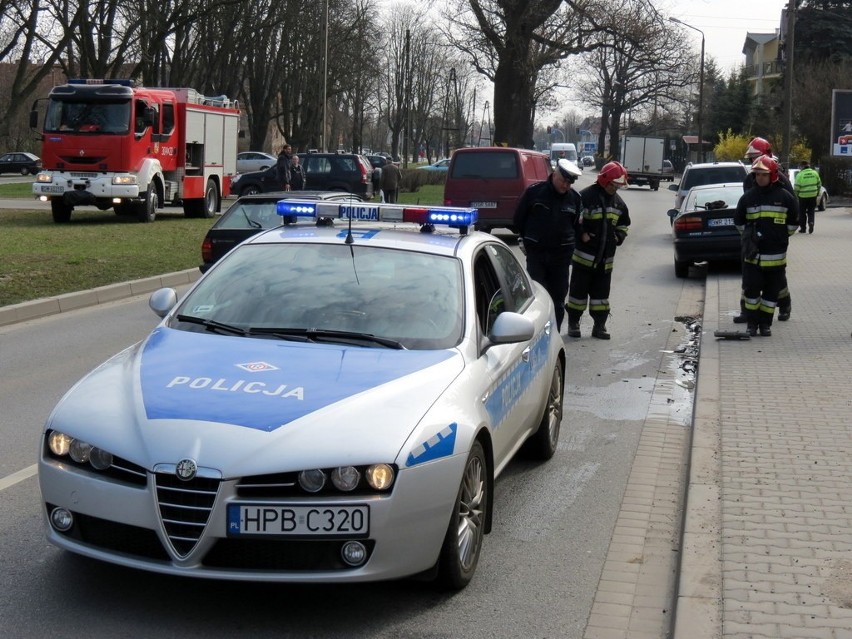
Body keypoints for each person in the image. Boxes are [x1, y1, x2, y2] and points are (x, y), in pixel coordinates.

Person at [513, 158, 583, 331]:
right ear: (555, 174)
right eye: (563, 181)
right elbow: (518, 219)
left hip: (561, 258)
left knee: (558, 300)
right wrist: (527, 239)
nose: (565, 185)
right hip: (537, 255)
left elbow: (576, 226)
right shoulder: (534, 193)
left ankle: (554, 334)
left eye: (569, 183)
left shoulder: (575, 199)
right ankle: (536, 334)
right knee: (536, 298)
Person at [734, 156, 799, 337]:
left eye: (764, 174)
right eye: (757, 175)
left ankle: (765, 325)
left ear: (772, 175)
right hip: (752, 256)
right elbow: (739, 221)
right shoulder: (747, 198)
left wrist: (779, 237)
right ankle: (752, 325)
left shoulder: (785, 198)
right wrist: (748, 238)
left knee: (771, 295)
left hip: (776, 256)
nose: (760, 178)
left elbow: (794, 223)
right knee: (751, 292)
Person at [565, 161, 631, 340]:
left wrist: (618, 237)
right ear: (605, 180)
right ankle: (573, 323)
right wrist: (582, 234)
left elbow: (624, 224)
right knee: (577, 294)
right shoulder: (585, 197)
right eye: (613, 185)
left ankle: (599, 326)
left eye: (618, 186)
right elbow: (572, 221)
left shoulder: (618, 203)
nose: (615, 189)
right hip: (583, 259)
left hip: (605, 261)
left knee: (601, 297)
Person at [793, 160, 821, 234]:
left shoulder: (800, 175)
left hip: (803, 196)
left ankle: (803, 228)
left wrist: (796, 195)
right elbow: (819, 184)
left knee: (802, 212)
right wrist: (817, 192)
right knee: (811, 211)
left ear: (802, 166)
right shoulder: (815, 173)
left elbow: (796, 187)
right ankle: (811, 222)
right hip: (813, 195)